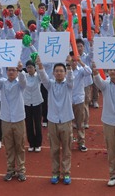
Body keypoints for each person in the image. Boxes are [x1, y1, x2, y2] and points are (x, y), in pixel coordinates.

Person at [0, 61, 27, 182]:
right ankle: (10, 170)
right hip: (5, 119)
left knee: (19, 146)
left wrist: (21, 71)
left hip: (19, 118)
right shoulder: (3, 83)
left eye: (13, 70)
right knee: (9, 147)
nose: (11, 72)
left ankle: (21, 171)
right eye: (9, 70)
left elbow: (23, 81)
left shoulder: (20, 84)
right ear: (6, 71)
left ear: (17, 71)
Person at [37, 56, 74, 185]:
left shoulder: (69, 85)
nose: (58, 73)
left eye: (61, 71)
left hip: (66, 120)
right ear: (53, 73)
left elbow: (70, 78)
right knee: (54, 149)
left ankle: (66, 173)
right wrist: (40, 66)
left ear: (64, 73)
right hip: (52, 120)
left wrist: (69, 65)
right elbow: (43, 77)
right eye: (56, 71)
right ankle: (55, 173)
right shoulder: (50, 85)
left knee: (66, 149)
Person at [23, 60, 43, 152]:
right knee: (29, 124)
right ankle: (31, 143)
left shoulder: (38, 77)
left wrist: (38, 63)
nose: (29, 69)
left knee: (38, 124)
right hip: (27, 103)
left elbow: (42, 73)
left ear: (34, 68)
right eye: (28, 67)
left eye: (31, 67)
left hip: (37, 102)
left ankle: (38, 144)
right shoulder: (24, 77)